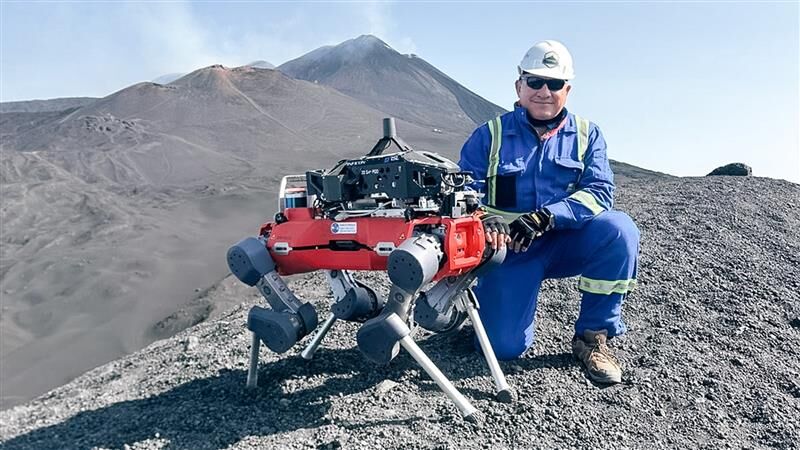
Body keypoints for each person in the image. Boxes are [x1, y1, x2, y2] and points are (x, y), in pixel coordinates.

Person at [459, 40, 640, 384]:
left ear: (567, 90)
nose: (544, 91)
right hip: (510, 252)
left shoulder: (588, 135)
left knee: (619, 230)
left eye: (554, 83)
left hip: (566, 243)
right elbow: (463, 191)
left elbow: (600, 192)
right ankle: (485, 314)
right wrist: (484, 217)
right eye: (535, 81)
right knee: (504, 348)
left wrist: (549, 216)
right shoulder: (489, 135)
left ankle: (593, 338)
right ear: (519, 86)